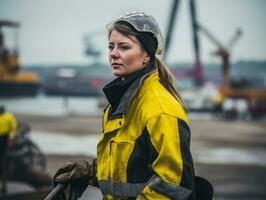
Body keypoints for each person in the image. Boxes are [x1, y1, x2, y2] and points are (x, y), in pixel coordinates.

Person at [54, 11, 195, 200]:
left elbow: (173, 185)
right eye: (111, 47)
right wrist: (91, 172)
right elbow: (131, 169)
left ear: (146, 55)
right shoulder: (119, 105)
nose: (113, 54)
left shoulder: (160, 110)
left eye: (124, 47)